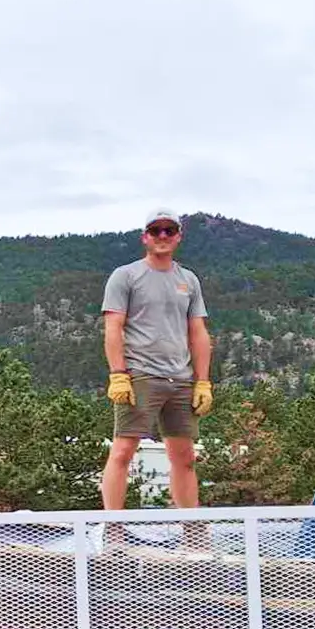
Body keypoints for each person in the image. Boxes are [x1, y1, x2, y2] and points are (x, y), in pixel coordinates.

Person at [99, 208, 212, 510]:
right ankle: (113, 529)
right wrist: (118, 374)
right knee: (123, 451)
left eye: (169, 230)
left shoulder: (188, 280)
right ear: (145, 237)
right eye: (156, 230)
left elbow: (198, 332)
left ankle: (192, 531)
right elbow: (113, 326)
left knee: (185, 457)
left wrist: (203, 382)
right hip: (141, 375)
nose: (162, 236)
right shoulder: (126, 276)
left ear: (178, 237)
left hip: (181, 379)